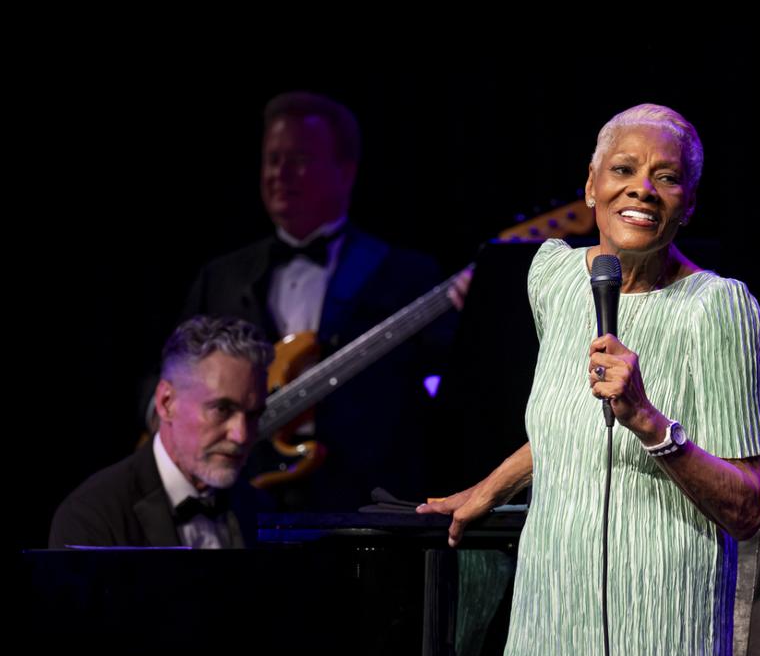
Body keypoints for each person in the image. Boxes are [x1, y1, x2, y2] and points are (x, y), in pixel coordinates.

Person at [420, 104, 760, 656]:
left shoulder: (719, 309)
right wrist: (495, 484)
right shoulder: (552, 279)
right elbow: (569, 422)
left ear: (689, 203)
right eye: (625, 169)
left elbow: (748, 505)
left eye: (666, 177)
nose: (642, 187)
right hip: (545, 636)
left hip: (658, 654)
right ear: (590, 186)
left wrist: (649, 421)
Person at [181, 91, 462, 511]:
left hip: (362, 500)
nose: (280, 173)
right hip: (237, 495)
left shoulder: (405, 273)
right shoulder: (220, 276)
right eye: (272, 158)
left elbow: (450, 390)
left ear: (346, 171)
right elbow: (166, 373)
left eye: (299, 159)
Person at [50, 316, 272, 548]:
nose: (242, 435)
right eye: (221, 409)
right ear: (166, 403)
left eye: (254, 414)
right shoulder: (93, 517)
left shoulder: (260, 509)